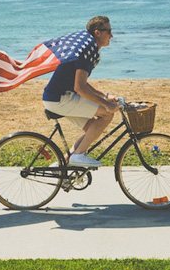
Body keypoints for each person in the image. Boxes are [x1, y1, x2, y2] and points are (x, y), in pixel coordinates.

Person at [42, 16, 119, 167]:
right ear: (97, 33)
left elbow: (82, 84)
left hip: (57, 97)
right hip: (60, 99)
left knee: (92, 129)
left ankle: (63, 164)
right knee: (107, 114)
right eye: (108, 31)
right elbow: (80, 88)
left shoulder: (87, 48)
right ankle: (78, 156)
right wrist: (106, 104)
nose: (112, 35)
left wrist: (105, 96)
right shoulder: (86, 51)